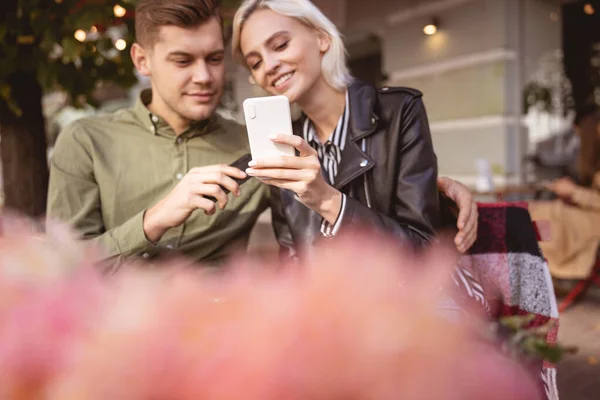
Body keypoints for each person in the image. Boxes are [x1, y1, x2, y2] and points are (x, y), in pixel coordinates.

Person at [47, 0, 475, 269]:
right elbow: (58, 271)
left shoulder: (262, 143)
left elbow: (370, 186)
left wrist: (439, 188)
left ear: (322, 39)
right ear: (141, 59)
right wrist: (154, 220)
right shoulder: (86, 141)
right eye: (182, 60)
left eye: (215, 59)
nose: (204, 77)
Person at [231, 0, 477, 259]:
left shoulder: (399, 111)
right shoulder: (284, 143)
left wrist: (328, 201)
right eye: (255, 63)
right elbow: (291, 259)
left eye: (280, 45)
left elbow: (421, 249)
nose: (269, 66)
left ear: (322, 39)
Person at [529, 104, 600, 279]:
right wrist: (572, 192)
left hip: (593, 226)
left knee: (546, 215)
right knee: (538, 211)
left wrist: (574, 192)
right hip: (588, 217)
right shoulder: (593, 158)